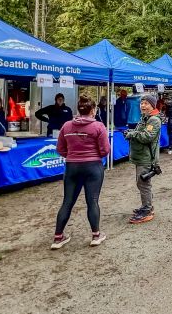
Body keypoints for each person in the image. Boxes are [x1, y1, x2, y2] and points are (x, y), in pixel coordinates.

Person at [51, 96, 110, 249]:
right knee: (92, 201)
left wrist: (73, 155)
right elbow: (105, 150)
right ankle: (96, 235)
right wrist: (92, 155)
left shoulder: (66, 126)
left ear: (78, 110)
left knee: (67, 202)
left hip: (72, 167)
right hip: (93, 167)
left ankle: (58, 237)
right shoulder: (98, 126)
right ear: (93, 110)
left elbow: (60, 149)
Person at [125, 94, 162, 224]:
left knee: (144, 184)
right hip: (141, 156)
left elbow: (147, 136)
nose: (143, 106)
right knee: (141, 183)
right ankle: (146, 206)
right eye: (141, 103)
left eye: (146, 103)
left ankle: (147, 210)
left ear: (152, 105)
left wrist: (132, 134)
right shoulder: (145, 118)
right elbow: (142, 132)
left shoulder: (154, 120)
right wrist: (132, 132)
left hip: (146, 158)